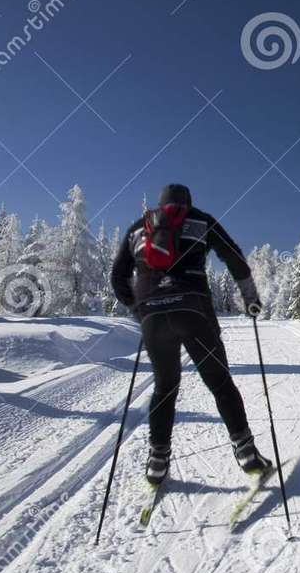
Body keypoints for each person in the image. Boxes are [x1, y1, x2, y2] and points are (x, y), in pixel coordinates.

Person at [111, 183, 273, 486]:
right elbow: (233, 257)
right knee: (220, 383)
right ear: (186, 203)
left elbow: (117, 276)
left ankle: (158, 461)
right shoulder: (201, 220)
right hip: (194, 310)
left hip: (153, 316)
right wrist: (250, 298)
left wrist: (139, 309)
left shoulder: (139, 227)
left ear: (160, 204)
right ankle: (247, 451)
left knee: (165, 387)